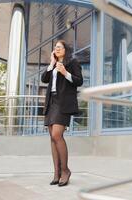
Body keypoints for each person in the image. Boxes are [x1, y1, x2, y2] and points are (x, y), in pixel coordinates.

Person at [41, 40, 83, 187]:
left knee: (57, 135)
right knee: (52, 138)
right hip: (51, 102)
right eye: (55, 47)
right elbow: (44, 79)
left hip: (63, 102)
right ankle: (56, 172)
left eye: (59, 47)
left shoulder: (72, 63)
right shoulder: (53, 65)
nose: (56, 49)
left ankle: (65, 171)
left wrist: (65, 72)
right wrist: (51, 63)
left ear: (66, 49)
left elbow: (79, 81)